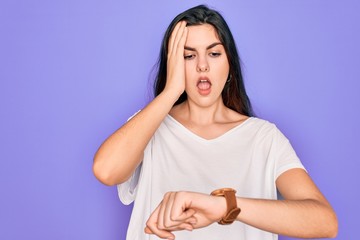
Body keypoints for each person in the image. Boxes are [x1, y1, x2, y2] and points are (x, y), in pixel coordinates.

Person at [93, 5, 338, 240]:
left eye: (214, 53)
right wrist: (170, 91)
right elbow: (106, 171)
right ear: (174, 65)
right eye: (188, 56)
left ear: (229, 64)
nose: (202, 65)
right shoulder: (149, 128)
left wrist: (224, 206)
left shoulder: (264, 138)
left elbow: (325, 221)